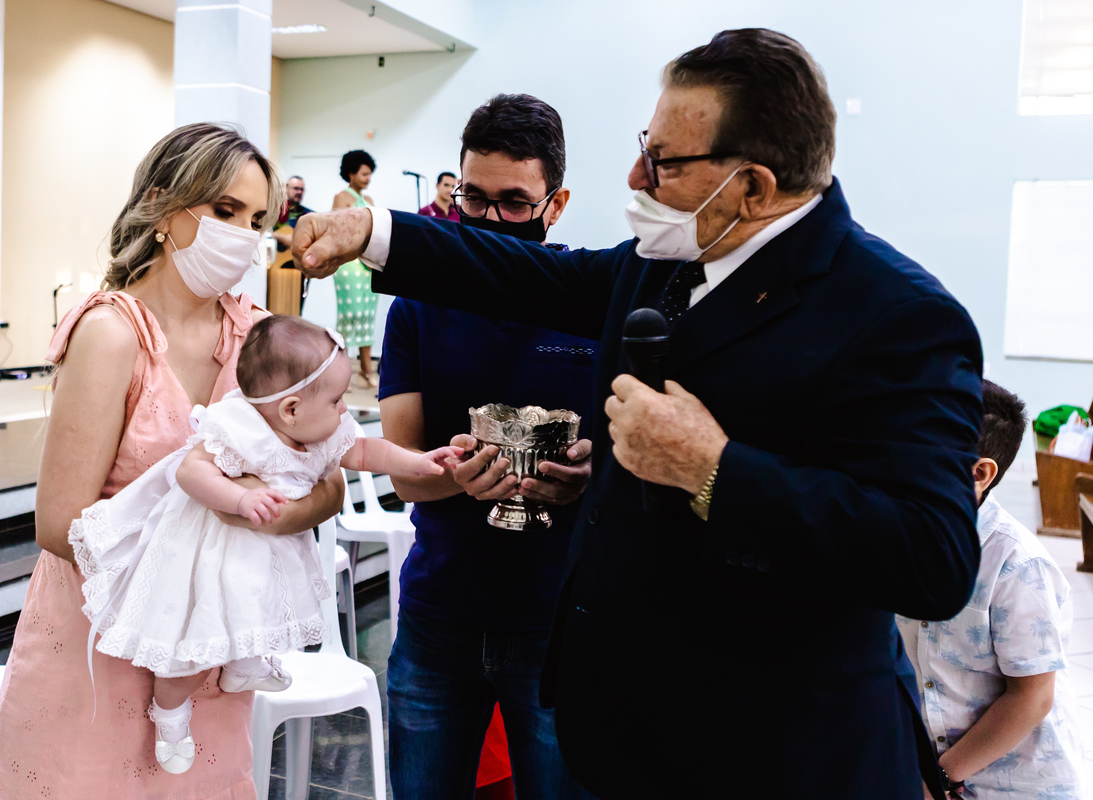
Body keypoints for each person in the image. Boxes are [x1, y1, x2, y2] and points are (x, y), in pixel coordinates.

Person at [290, 28, 985, 800]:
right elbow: (525, 276)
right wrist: (374, 231)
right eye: (642, 147)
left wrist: (713, 472)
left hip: (773, 739)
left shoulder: (896, 314)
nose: (635, 175)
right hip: (629, 718)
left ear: (752, 186)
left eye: (663, 161)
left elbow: (932, 557)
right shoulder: (665, 264)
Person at [0, 123, 346, 798]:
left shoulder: (258, 337)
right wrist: (196, 542)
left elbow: (328, 483)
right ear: (162, 205)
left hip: (206, 655)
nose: (244, 233)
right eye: (224, 211)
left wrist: (263, 516)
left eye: (258, 218)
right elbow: (57, 521)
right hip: (103, 647)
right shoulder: (112, 334)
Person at [68, 315, 459, 774]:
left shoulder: (322, 427)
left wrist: (422, 463)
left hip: (256, 552)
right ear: (290, 409)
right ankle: (169, 710)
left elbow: (369, 451)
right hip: (204, 553)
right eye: (336, 400)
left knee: (256, 604)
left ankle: (244, 663)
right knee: (189, 647)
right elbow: (190, 471)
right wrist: (241, 496)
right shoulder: (241, 426)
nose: (344, 411)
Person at [380, 94, 596, 800]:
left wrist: (590, 479)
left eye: (513, 203)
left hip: (557, 622)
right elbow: (406, 471)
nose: (489, 220)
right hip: (441, 615)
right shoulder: (417, 307)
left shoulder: (590, 306)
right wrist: (455, 477)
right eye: (474, 197)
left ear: (554, 204)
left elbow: (640, 463)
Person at [897, 380, 1086, 800]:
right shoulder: (904, 537)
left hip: (1018, 783)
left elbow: (1033, 697)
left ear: (979, 473)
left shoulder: (1017, 565)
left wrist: (941, 777)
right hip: (933, 769)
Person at [332, 150, 379, 388]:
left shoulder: (369, 201)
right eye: (364, 173)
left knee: (366, 317)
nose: (368, 178)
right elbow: (338, 231)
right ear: (351, 173)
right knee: (348, 316)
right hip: (349, 265)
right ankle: (343, 373)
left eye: (370, 173)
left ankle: (366, 370)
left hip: (367, 264)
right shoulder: (341, 197)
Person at [272, 175, 313, 250]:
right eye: (296, 188)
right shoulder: (274, 212)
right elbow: (262, 235)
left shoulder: (310, 215)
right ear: (286, 188)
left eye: (302, 189)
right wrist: (282, 237)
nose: (299, 192)